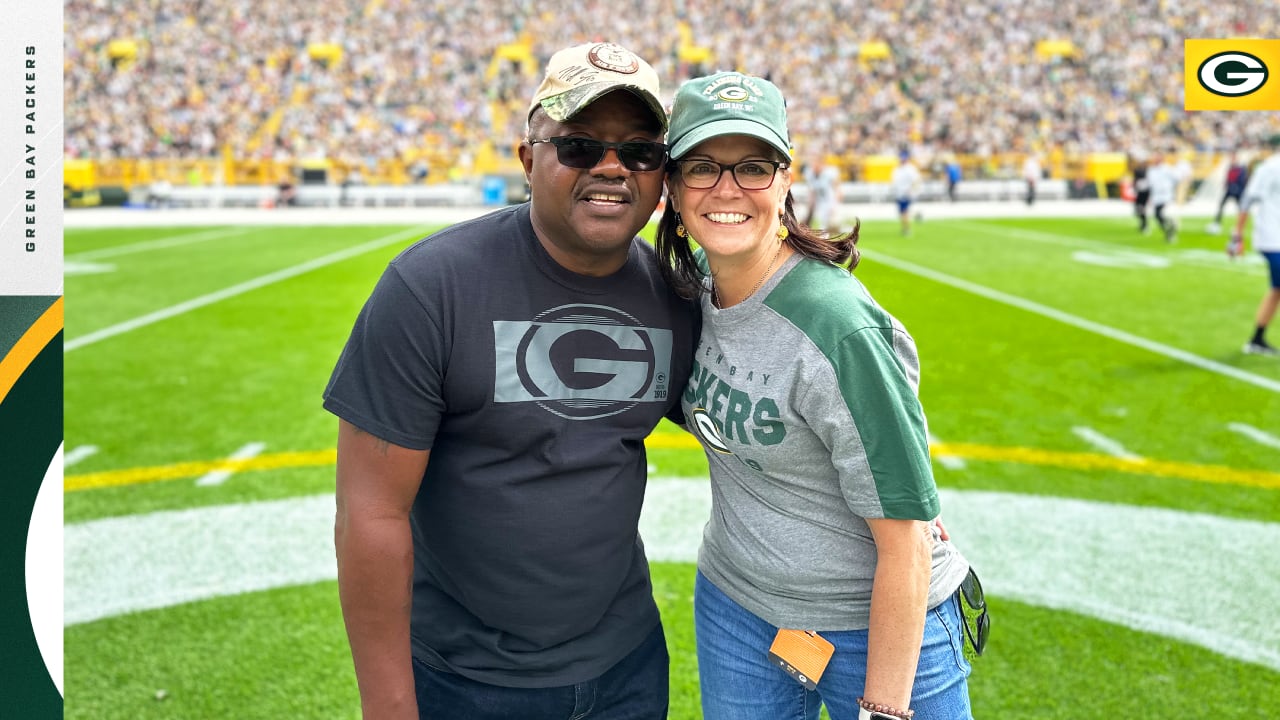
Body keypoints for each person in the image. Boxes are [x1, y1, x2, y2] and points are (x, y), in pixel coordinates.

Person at [323, 41, 698, 720]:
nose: (612, 168)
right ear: (529, 159)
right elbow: (369, 514)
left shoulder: (677, 296)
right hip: (463, 678)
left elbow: (756, 424)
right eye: (580, 147)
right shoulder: (431, 286)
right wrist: (388, 705)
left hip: (628, 664)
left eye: (640, 152)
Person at [654, 71, 977, 720]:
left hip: (872, 623)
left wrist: (883, 709)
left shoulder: (837, 324)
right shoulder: (689, 292)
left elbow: (905, 540)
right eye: (701, 168)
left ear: (785, 179)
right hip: (737, 606)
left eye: (753, 167)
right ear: (672, 185)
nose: (726, 190)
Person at [1229, 134, 1280, 356]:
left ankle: (1257, 339)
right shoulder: (1269, 168)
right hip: (1273, 238)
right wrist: (1236, 235)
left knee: (1276, 289)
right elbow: (1248, 200)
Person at [1208, 150, 1249, 235]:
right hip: (1229, 190)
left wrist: (1238, 188)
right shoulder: (1230, 167)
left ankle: (1239, 227)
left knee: (1241, 209)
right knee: (1221, 206)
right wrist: (1226, 185)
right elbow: (1228, 179)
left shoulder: (1241, 168)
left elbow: (1243, 180)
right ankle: (1217, 224)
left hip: (1238, 192)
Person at [802, 150, 842, 232]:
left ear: (821, 163)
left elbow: (838, 190)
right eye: (812, 162)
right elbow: (812, 191)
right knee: (822, 226)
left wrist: (834, 204)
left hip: (830, 201)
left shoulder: (829, 173)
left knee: (830, 225)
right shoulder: (810, 173)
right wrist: (810, 205)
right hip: (819, 202)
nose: (813, 165)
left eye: (815, 162)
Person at [1146, 150, 1179, 243]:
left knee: (1162, 213)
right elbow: (1151, 184)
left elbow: (1176, 178)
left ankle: (1171, 230)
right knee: (1157, 216)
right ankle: (1170, 227)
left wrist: (1168, 187)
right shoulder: (1151, 170)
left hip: (1166, 196)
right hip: (1156, 196)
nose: (1155, 159)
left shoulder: (1167, 168)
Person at [889, 149, 922, 236]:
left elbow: (916, 180)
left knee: (904, 211)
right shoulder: (897, 169)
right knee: (902, 212)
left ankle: (906, 229)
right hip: (899, 193)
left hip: (905, 193)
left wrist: (912, 190)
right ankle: (906, 227)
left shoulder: (910, 168)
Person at [1130, 153, 1151, 235]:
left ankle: (1144, 225)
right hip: (1141, 191)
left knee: (1141, 209)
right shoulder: (1142, 170)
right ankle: (1143, 224)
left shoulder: (1146, 170)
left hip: (1144, 192)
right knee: (1138, 209)